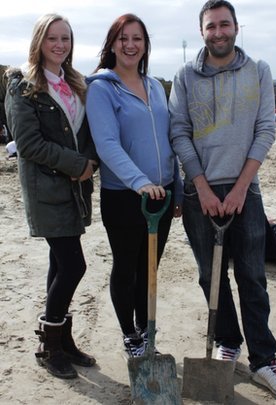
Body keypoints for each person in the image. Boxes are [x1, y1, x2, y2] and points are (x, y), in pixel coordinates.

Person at [169, 0, 276, 399]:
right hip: (198, 192)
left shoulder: (258, 71)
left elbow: (265, 129)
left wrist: (243, 186)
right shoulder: (185, 76)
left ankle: (264, 360)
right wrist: (203, 188)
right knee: (210, 276)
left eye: (225, 24)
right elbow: (179, 133)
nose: (219, 32)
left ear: (236, 28)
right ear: (202, 31)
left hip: (246, 188)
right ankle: (229, 340)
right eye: (211, 26)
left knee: (252, 276)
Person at [5, 13, 99, 379]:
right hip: (47, 190)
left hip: (75, 190)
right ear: (39, 42)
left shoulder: (75, 83)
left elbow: (86, 130)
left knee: (60, 264)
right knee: (74, 265)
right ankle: (49, 343)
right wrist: (78, 164)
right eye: (52, 38)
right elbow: (28, 144)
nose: (60, 45)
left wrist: (90, 160)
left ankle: (61, 340)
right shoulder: (24, 85)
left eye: (66, 39)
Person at [85, 13, 183, 358]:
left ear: (145, 45)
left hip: (163, 194)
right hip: (125, 197)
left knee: (149, 269)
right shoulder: (101, 87)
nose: (130, 45)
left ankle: (146, 331)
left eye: (137, 38)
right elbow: (107, 144)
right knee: (126, 268)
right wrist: (140, 182)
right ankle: (130, 336)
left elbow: (168, 140)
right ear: (112, 44)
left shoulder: (154, 84)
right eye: (123, 38)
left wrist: (177, 186)